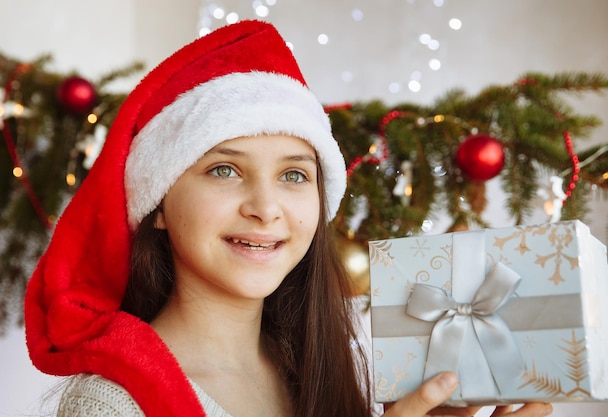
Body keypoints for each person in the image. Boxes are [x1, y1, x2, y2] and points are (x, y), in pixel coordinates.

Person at [24, 20, 553, 417]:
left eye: (295, 176)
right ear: (158, 204)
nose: (266, 206)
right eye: (225, 169)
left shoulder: (332, 374)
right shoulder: (110, 404)